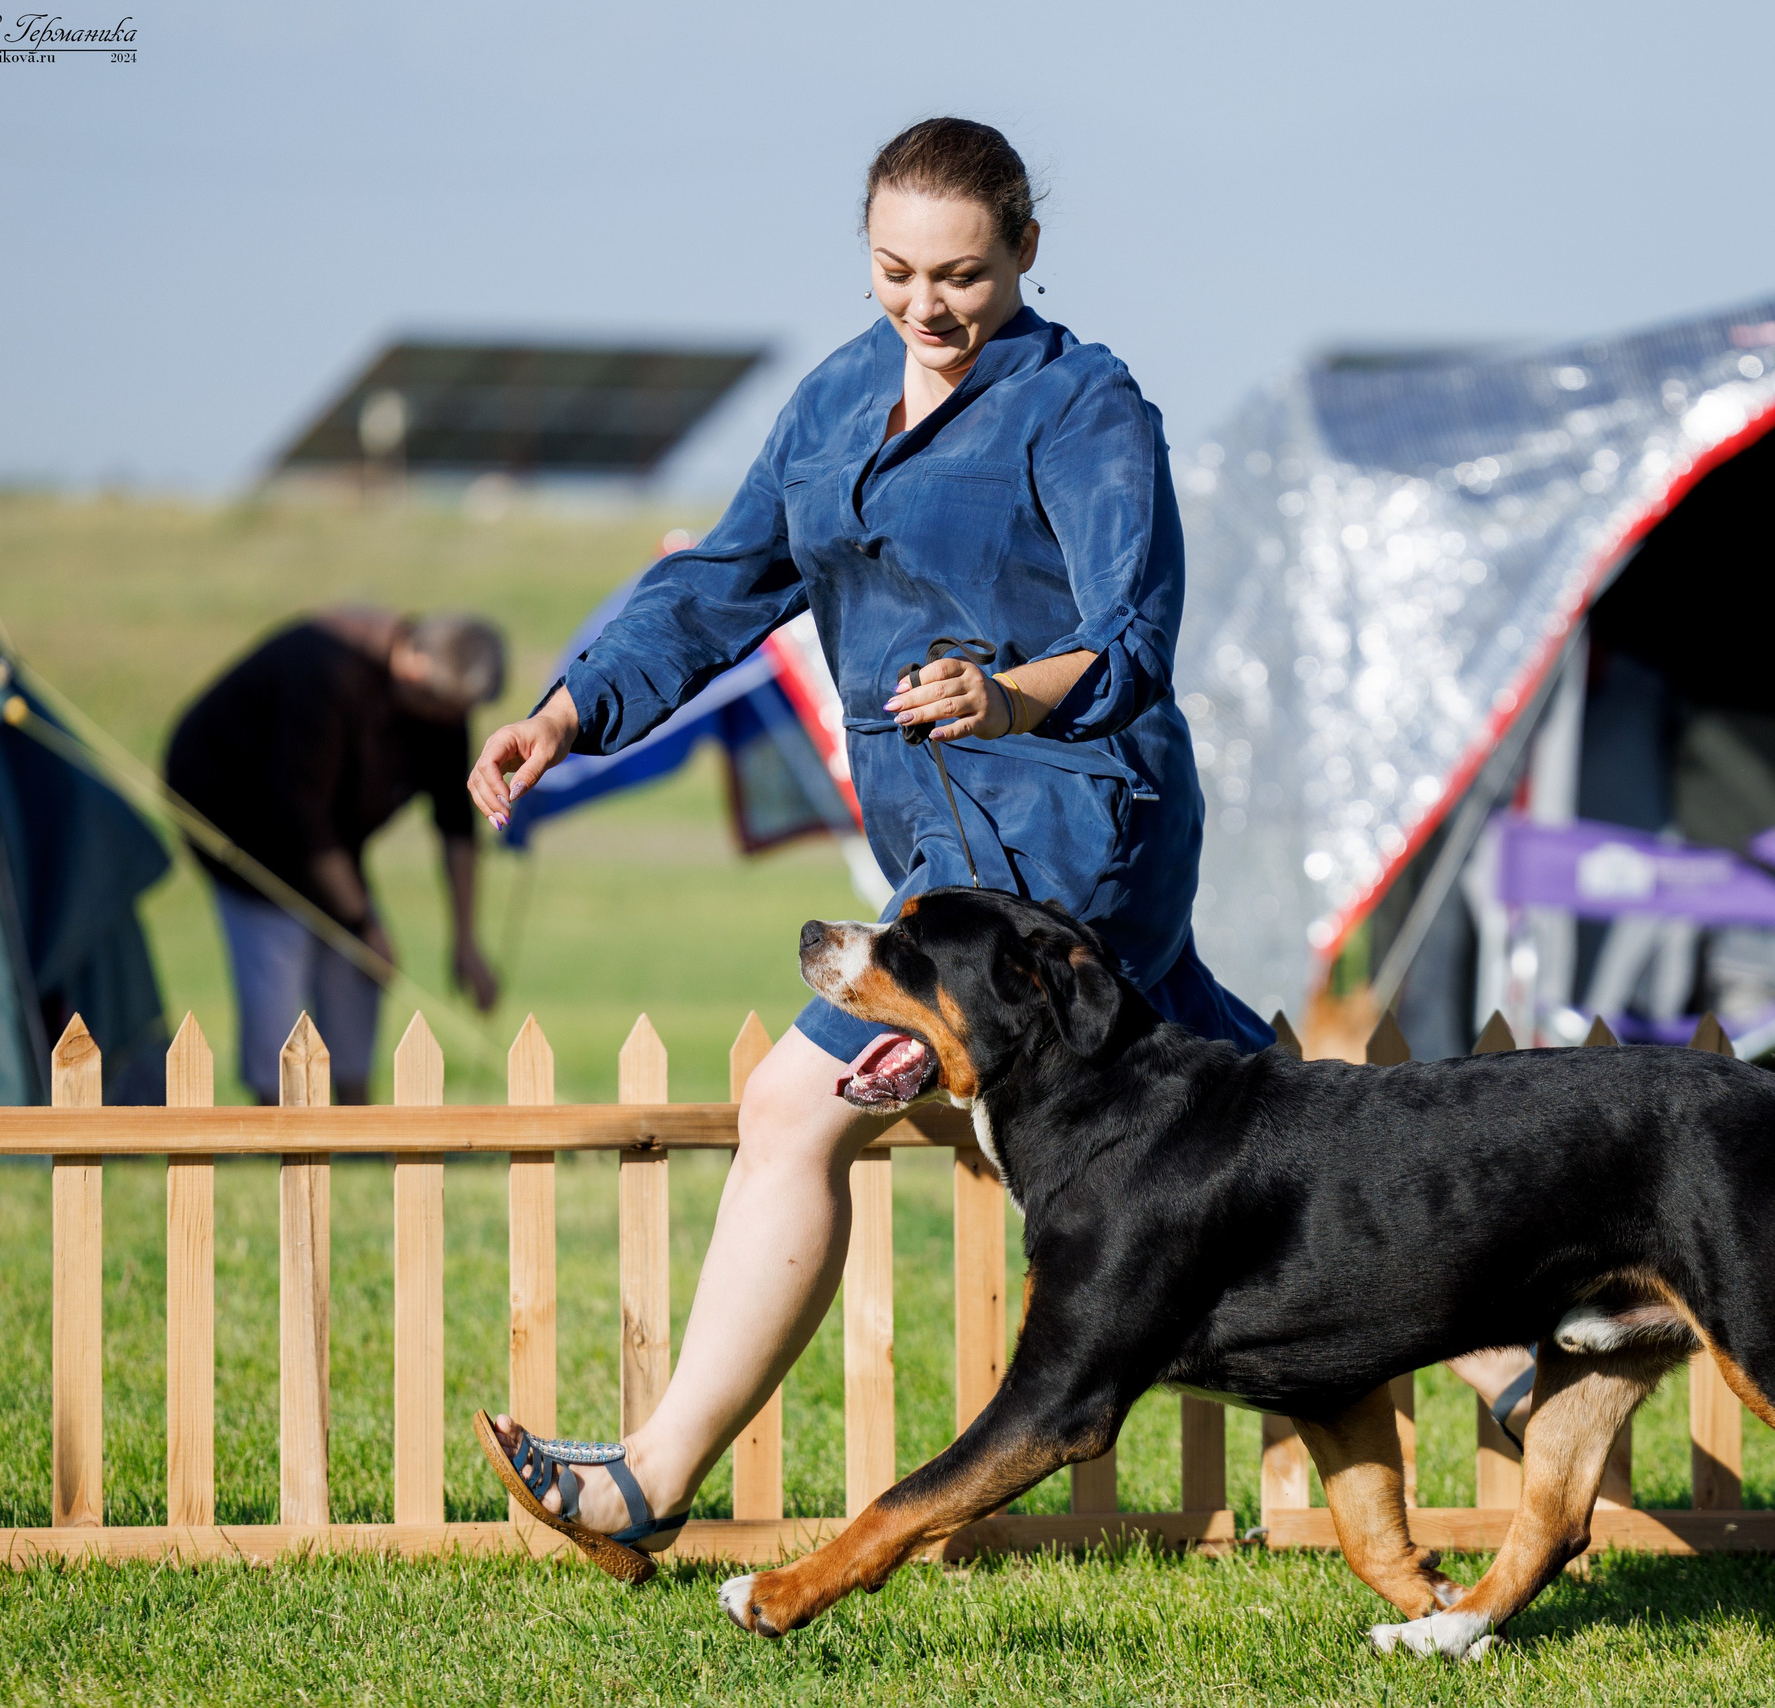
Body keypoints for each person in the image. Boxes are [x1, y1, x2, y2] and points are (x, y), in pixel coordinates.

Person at [462, 118, 1327, 1572]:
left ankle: (647, 1482)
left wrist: (1006, 691)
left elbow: (1136, 637)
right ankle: (1503, 1302)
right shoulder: (837, 396)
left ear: (1027, 253)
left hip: (1072, 831)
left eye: (965, 275)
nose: (928, 306)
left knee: (797, 1107)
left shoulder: (1086, 405)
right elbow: (724, 581)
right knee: (1262, 1123)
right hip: (937, 849)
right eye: (896, 272)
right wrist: (564, 712)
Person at [166, 607, 505, 1104]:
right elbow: (305, 822)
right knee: (282, 949)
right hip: (244, 828)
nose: (448, 723)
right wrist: (363, 923)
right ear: (412, 664)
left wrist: (466, 941)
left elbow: (457, 824)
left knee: (358, 969)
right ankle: (278, 1117)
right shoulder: (325, 673)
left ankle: (352, 1120)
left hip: (329, 838)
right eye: (440, 707)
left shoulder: (444, 709)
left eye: (458, 713)